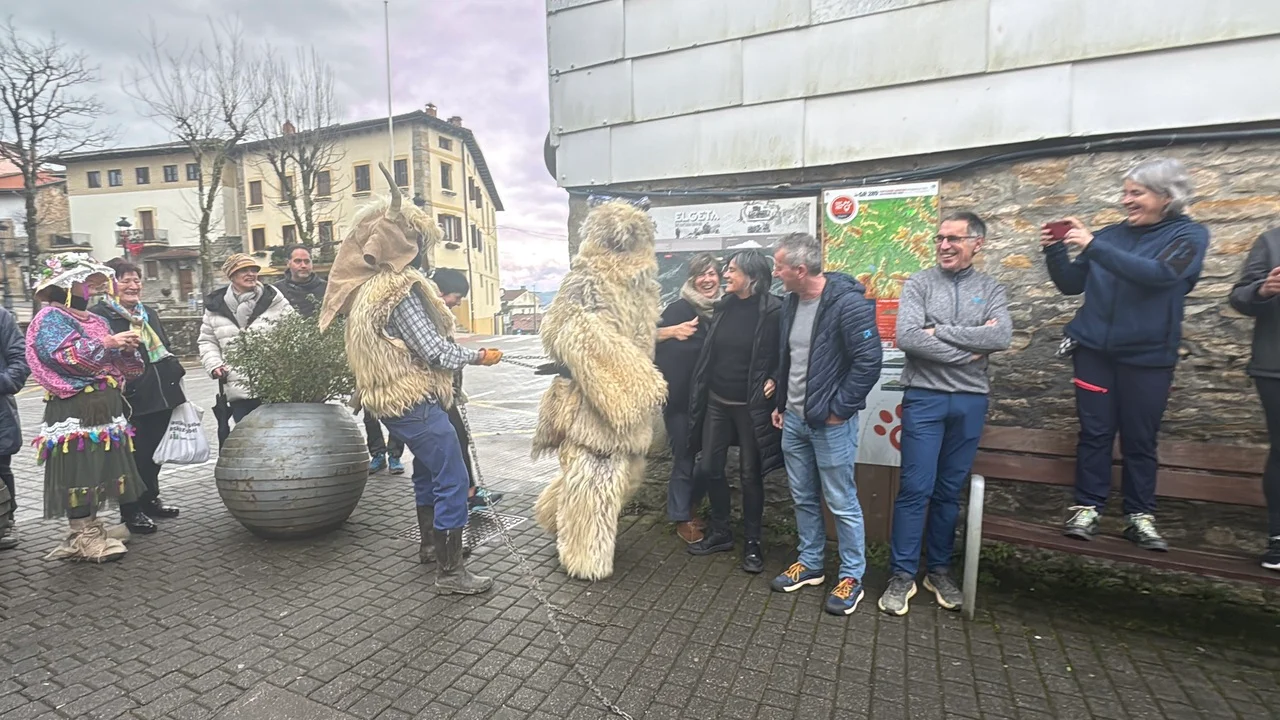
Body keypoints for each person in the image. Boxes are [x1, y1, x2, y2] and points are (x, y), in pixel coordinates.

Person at [318, 164, 503, 595]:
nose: (421, 250)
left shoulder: (366, 291)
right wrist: (480, 356)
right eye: (418, 240)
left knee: (426, 470)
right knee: (453, 477)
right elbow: (435, 351)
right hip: (413, 400)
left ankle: (429, 545)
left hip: (390, 403)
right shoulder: (397, 290)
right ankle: (451, 571)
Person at [1042, 157, 1209, 552]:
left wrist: (1093, 246)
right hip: (1094, 353)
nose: (1126, 200)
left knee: (1139, 438)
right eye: (1125, 192)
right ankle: (1087, 508)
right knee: (1095, 434)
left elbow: (1160, 275)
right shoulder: (1109, 236)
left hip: (1149, 358)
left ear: (1166, 197)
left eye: (1137, 193)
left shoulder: (1189, 236)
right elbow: (1071, 285)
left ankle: (1139, 516)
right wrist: (1055, 251)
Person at [879, 212, 1012, 615]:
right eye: (939, 238)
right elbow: (907, 336)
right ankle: (902, 574)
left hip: (970, 401)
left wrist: (939, 332)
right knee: (915, 487)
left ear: (977, 243)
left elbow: (1001, 335)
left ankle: (937, 570)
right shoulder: (919, 283)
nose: (944, 245)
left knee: (949, 491)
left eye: (954, 238)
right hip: (925, 397)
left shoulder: (991, 288)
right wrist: (967, 354)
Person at [531, 199, 667, 581]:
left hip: (627, 401)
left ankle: (556, 514)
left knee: (629, 474)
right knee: (597, 474)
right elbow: (559, 330)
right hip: (591, 400)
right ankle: (584, 556)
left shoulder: (643, 288)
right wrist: (624, 374)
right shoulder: (585, 278)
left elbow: (638, 339)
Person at [768, 232, 881, 616]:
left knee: (841, 501)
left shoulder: (848, 304)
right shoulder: (790, 303)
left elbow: (869, 361)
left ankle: (851, 577)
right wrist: (782, 403)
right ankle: (811, 564)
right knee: (802, 496)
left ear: (800, 270)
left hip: (830, 424)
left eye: (779, 266)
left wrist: (839, 410)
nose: (775, 272)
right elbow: (788, 358)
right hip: (794, 420)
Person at [25, 253, 145, 562]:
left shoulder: (96, 320)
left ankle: (93, 525)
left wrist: (126, 351)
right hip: (75, 407)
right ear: (65, 287)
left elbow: (128, 369)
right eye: (84, 282)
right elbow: (65, 357)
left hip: (105, 406)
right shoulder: (51, 317)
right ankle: (82, 534)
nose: (90, 288)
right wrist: (109, 344)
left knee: (99, 468)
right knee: (79, 470)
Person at [685, 250, 782, 573]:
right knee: (710, 467)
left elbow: (786, 352)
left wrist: (775, 377)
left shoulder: (774, 310)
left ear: (752, 277)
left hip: (750, 407)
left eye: (732, 270)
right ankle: (721, 532)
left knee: (750, 475)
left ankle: (753, 543)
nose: (725, 275)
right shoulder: (724, 306)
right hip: (717, 401)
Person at [92, 262, 187, 534]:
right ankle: (131, 510)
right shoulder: (99, 317)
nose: (133, 286)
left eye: (137, 280)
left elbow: (165, 348)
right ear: (109, 285)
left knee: (154, 454)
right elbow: (97, 356)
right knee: (131, 457)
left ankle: (150, 498)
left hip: (161, 394)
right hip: (128, 398)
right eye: (125, 281)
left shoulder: (148, 314)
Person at [655, 253, 721, 544]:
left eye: (712, 273)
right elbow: (643, 337)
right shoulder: (678, 309)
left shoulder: (724, 309)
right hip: (681, 401)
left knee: (711, 462)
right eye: (701, 274)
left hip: (715, 402)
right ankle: (682, 517)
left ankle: (691, 505)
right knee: (684, 458)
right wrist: (671, 331)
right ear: (692, 279)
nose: (707, 279)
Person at [1227, 225, 1280, 570]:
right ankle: (1278, 538)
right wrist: (1262, 290)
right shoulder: (1272, 241)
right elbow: (1239, 296)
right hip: (1275, 366)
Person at [431, 267, 503, 510]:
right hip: (435, 394)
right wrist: (478, 357)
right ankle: (464, 496)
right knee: (455, 442)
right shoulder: (431, 316)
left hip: (446, 392)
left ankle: (467, 492)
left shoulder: (439, 314)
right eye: (457, 297)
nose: (458, 303)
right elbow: (441, 354)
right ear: (441, 292)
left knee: (458, 441)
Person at [198, 254, 295, 423]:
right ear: (232, 276)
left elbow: (295, 331)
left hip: (274, 387)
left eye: (254, 270)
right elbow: (207, 341)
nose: (251, 274)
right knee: (246, 435)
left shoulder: (274, 300)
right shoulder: (215, 306)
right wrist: (215, 365)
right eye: (244, 270)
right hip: (239, 390)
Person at [0, 304, 30, 551]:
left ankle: (5, 521)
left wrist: (4, 381)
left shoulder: (1, 317)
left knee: (0, 468)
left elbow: (20, 361)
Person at [274, 244, 327, 318]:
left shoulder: (327, 288)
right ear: (288, 263)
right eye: (298, 261)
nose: (303, 265)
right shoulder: (276, 290)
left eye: (307, 261)